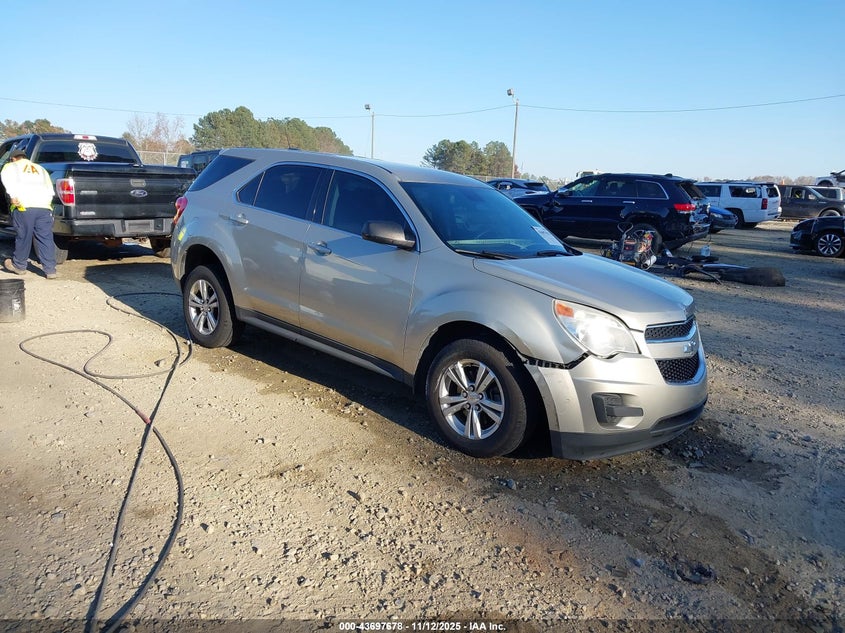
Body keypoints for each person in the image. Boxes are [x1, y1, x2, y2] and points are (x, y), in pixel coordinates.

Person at [1, 149, 57, 278]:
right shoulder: (40, 169)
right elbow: (50, 189)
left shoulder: (11, 166)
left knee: (24, 236)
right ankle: (50, 270)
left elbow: (7, 180)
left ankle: (19, 265)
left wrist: (13, 195)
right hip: (44, 207)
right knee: (45, 237)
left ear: (13, 158)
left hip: (23, 206)